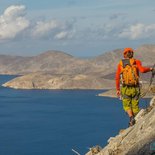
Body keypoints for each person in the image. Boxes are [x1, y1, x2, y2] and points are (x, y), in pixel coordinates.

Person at [115, 47, 154, 126]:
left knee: (126, 105)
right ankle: (136, 120)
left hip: (125, 88)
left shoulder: (120, 64)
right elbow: (142, 70)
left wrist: (118, 89)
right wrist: (150, 69)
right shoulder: (136, 62)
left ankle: (131, 118)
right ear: (132, 54)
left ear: (124, 55)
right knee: (135, 106)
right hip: (135, 87)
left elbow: (117, 78)